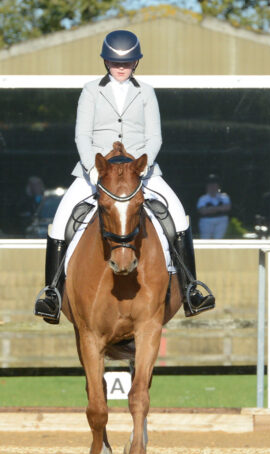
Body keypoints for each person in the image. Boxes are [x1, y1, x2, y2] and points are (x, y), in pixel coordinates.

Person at [33, 30, 215, 324]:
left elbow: (155, 136)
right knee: (59, 223)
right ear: (106, 61)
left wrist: (143, 168)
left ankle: (192, 288)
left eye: (128, 63)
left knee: (179, 219)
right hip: (97, 170)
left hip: (141, 170)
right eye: (117, 62)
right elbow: (82, 135)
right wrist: (93, 169)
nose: (122, 67)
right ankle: (51, 294)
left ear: (136, 63)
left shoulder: (146, 92)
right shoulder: (91, 90)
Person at [196, 174, 231, 239]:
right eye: (210, 185)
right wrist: (219, 208)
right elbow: (202, 211)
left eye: (214, 185)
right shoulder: (203, 198)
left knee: (219, 239)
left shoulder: (224, 197)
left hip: (221, 220)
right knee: (205, 240)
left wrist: (210, 209)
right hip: (206, 221)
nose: (212, 187)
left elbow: (227, 208)